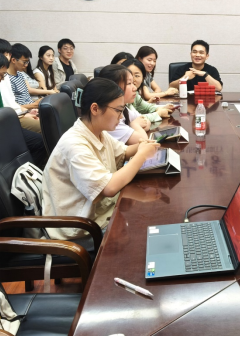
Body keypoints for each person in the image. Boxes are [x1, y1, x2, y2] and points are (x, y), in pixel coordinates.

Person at [41, 78, 161, 240]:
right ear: (95, 109)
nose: (121, 116)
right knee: (146, 229)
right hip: (82, 227)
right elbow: (109, 188)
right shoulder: (74, 144)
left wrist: (143, 146)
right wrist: (141, 155)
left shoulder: (98, 132)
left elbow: (124, 152)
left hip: (101, 212)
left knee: (150, 216)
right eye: (118, 110)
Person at [0, 51, 47, 167]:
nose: (2, 79)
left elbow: (0, 112)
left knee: (40, 141)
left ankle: (27, 173)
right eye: (1, 75)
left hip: (0, 129)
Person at [0, 39, 42, 134]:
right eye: (7, 54)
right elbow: (3, 109)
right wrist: (27, 111)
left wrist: (26, 112)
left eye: (9, 54)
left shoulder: (9, 75)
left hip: (18, 113)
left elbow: (11, 103)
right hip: (10, 118)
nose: (9, 57)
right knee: (47, 127)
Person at [99, 65, 149, 145]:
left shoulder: (123, 108)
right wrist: (135, 124)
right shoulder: (108, 116)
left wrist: (135, 127)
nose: (135, 88)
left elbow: (146, 121)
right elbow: (143, 140)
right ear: (113, 87)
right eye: (129, 83)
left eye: (133, 83)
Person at [122, 59, 174, 127]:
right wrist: (158, 113)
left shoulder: (135, 92)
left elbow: (146, 107)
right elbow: (138, 119)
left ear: (143, 78)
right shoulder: (122, 97)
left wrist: (162, 107)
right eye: (129, 76)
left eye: (137, 76)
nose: (133, 79)